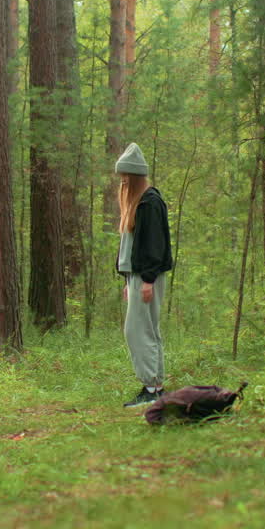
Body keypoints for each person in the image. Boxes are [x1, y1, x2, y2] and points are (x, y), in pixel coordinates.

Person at [114, 142, 174, 407]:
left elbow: (154, 244)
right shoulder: (140, 202)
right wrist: (130, 280)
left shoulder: (150, 202)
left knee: (138, 331)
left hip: (146, 276)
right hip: (138, 276)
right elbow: (132, 247)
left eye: (127, 176)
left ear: (136, 176)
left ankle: (151, 390)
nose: (123, 181)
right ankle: (156, 387)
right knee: (146, 329)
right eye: (121, 176)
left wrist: (147, 279)